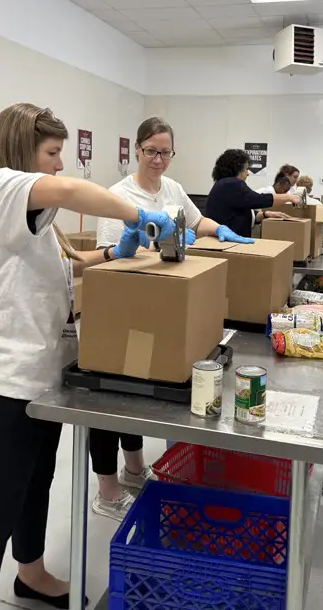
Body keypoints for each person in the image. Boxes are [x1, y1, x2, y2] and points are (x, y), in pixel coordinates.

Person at [0, 104, 174, 610]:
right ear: (20, 150)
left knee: (36, 487)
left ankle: (31, 575)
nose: (58, 164)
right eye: (52, 153)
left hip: (38, 380)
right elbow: (73, 190)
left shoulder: (26, 212)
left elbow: (62, 266)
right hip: (0, 386)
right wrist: (137, 213)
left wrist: (115, 254)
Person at [93, 119, 255, 521]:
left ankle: (134, 470)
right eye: (151, 150)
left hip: (161, 308)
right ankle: (107, 491)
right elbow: (106, 259)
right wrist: (143, 248)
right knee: (109, 399)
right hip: (124, 309)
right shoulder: (118, 195)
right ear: (137, 149)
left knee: (136, 396)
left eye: (165, 152)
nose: (158, 159)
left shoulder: (173, 189)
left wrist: (221, 230)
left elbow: (197, 222)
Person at [206, 149, 301, 239]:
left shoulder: (224, 184)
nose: (248, 173)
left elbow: (241, 212)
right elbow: (258, 199)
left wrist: (266, 214)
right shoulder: (232, 184)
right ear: (238, 169)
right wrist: (289, 197)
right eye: (246, 169)